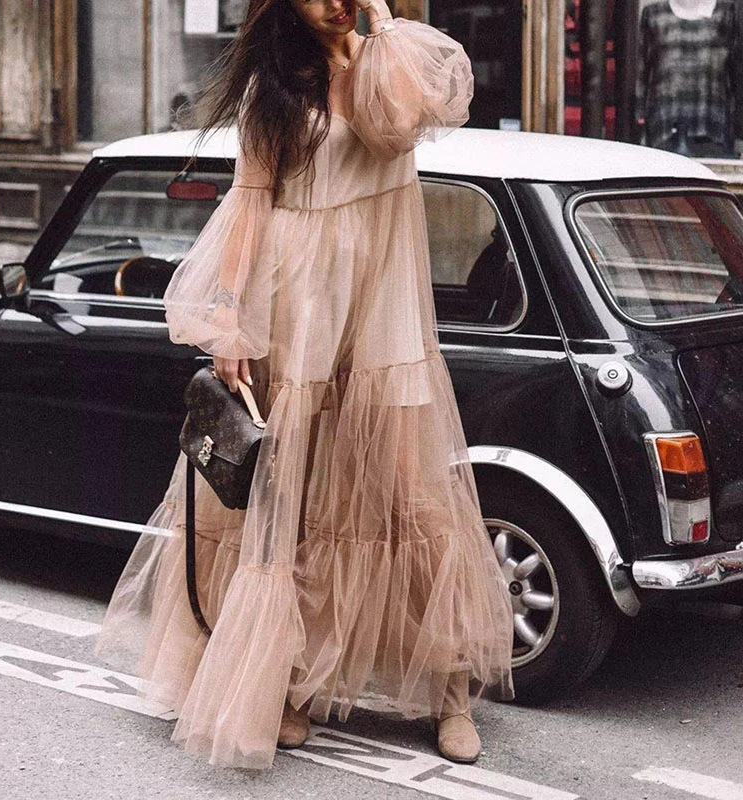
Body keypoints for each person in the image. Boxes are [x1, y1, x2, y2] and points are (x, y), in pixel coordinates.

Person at [95, 0, 515, 770]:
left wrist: (384, 22)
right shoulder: (276, 83)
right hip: (299, 301)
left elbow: (412, 121)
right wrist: (229, 315)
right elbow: (251, 201)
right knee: (292, 498)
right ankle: (285, 681)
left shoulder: (389, 61)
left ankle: (451, 690)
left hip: (383, 304)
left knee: (413, 494)